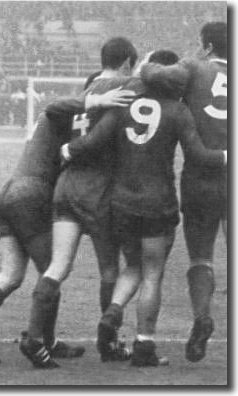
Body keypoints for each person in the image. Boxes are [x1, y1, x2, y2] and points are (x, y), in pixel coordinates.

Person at [62, 49, 226, 367]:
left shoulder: (124, 105)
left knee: (132, 266)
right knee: (152, 273)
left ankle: (113, 312)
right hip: (158, 203)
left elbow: (95, 140)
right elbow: (200, 155)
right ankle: (144, 347)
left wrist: (68, 150)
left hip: (122, 202)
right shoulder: (178, 111)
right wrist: (226, 157)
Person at [0, 82, 135, 365]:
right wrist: (98, 101)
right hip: (32, 194)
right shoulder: (71, 112)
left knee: (10, 274)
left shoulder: (67, 120)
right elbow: (53, 107)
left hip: (11, 192)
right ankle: (41, 342)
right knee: (53, 271)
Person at [19, 37, 140, 368]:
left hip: (65, 188)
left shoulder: (88, 91)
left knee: (58, 265)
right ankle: (109, 343)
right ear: (129, 61)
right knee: (110, 269)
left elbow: (56, 109)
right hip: (97, 190)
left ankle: (33, 337)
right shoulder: (125, 85)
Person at [141, 22, 227, 363]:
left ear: (206, 46)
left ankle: (202, 317)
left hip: (201, 177)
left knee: (201, 256)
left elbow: (154, 75)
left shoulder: (194, 67)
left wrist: (146, 63)